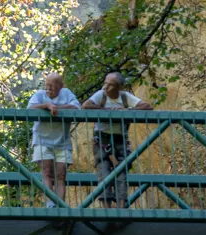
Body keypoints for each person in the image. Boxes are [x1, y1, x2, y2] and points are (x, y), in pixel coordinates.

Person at [81, 72, 153, 208]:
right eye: (105, 82)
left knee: (122, 172)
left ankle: (121, 207)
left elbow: (147, 107)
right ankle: (107, 209)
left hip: (120, 139)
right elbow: (86, 105)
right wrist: (106, 110)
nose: (106, 87)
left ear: (119, 87)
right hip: (102, 139)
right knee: (103, 171)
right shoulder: (101, 94)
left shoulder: (125, 97)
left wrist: (126, 110)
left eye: (110, 85)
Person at [28, 72, 80, 207]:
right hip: (42, 140)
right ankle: (51, 205)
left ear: (60, 86)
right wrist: (46, 106)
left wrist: (58, 108)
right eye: (47, 85)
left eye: (52, 86)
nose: (48, 89)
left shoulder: (66, 93)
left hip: (62, 141)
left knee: (61, 175)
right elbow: (29, 109)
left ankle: (60, 206)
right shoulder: (40, 95)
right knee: (46, 173)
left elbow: (76, 107)